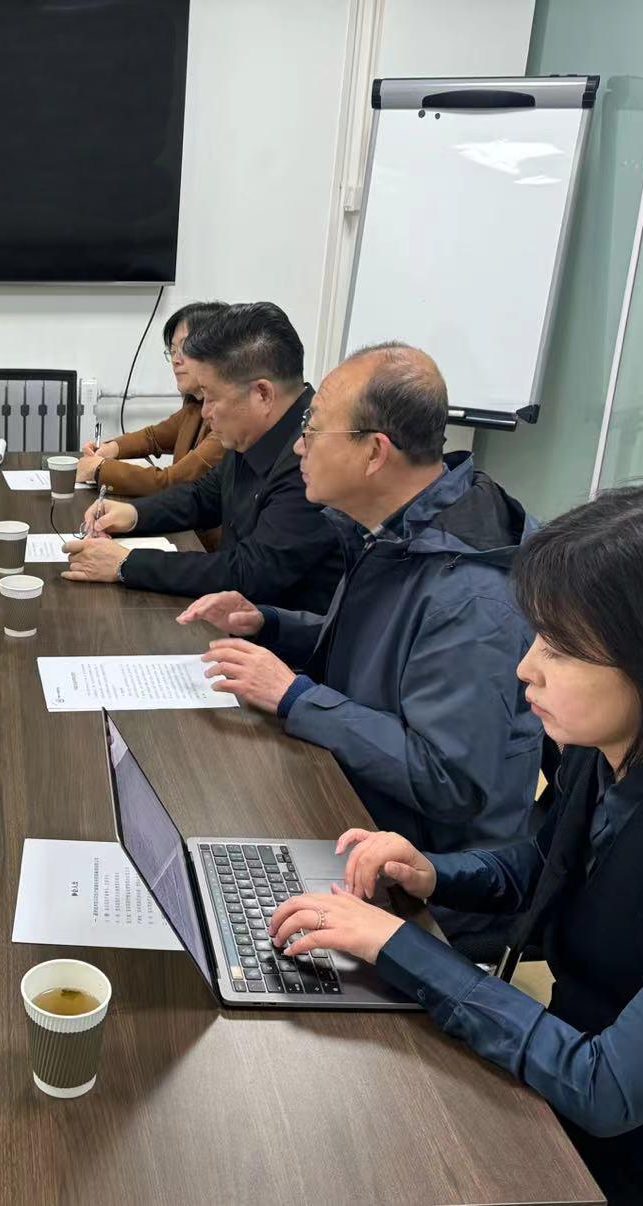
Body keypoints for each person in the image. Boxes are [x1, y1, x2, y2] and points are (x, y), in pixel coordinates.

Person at [266, 479, 643, 1205]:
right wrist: (432, 874)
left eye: (562, 649)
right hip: (562, 1082)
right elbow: (550, 866)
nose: (525, 667)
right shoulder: (619, 746)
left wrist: (396, 945)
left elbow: (609, 1087)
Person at [180, 343, 540, 940]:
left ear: (375, 452)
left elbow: (448, 781)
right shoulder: (399, 528)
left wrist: (295, 696)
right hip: (357, 800)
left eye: (313, 431)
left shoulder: (472, 595)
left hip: (425, 873)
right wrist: (268, 623)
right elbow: (380, 653)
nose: (299, 448)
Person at [63, 302, 343, 610]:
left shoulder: (313, 456)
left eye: (211, 397)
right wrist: (133, 515)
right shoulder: (253, 431)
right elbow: (202, 497)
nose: (205, 412)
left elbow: (251, 572)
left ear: (262, 394)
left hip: (273, 633)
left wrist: (126, 563)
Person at [76, 301, 229, 545]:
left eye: (185, 348)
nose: (176, 360)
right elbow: (154, 437)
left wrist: (99, 469)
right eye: (172, 350)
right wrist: (110, 449)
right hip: (182, 531)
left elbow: (172, 482)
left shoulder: (229, 423)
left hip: (204, 547)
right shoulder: (195, 406)